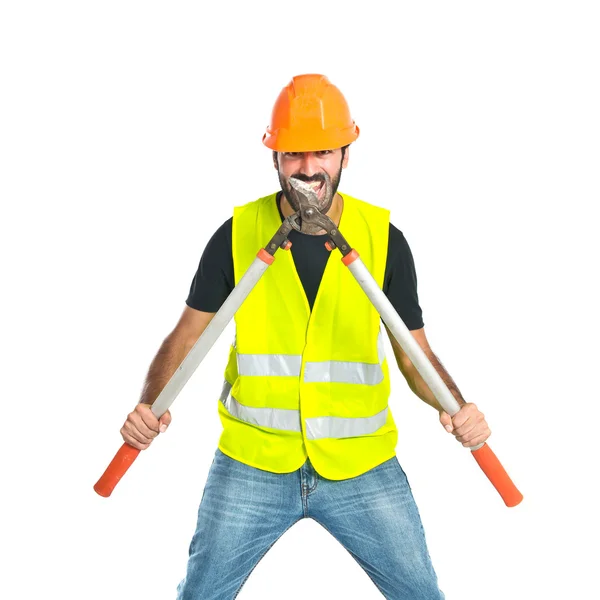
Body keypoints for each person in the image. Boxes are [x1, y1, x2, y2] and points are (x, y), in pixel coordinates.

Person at [120, 74, 491, 600]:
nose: (308, 168)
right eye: (294, 153)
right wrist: (146, 406)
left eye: (322, 152)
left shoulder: (385, 239)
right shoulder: (236, 236)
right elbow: (187, 337)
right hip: (253, 461)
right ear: (274, 157)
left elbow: (415, 358)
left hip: (361, 465)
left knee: (421, 594)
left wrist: (458, 406)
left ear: (345, 154)